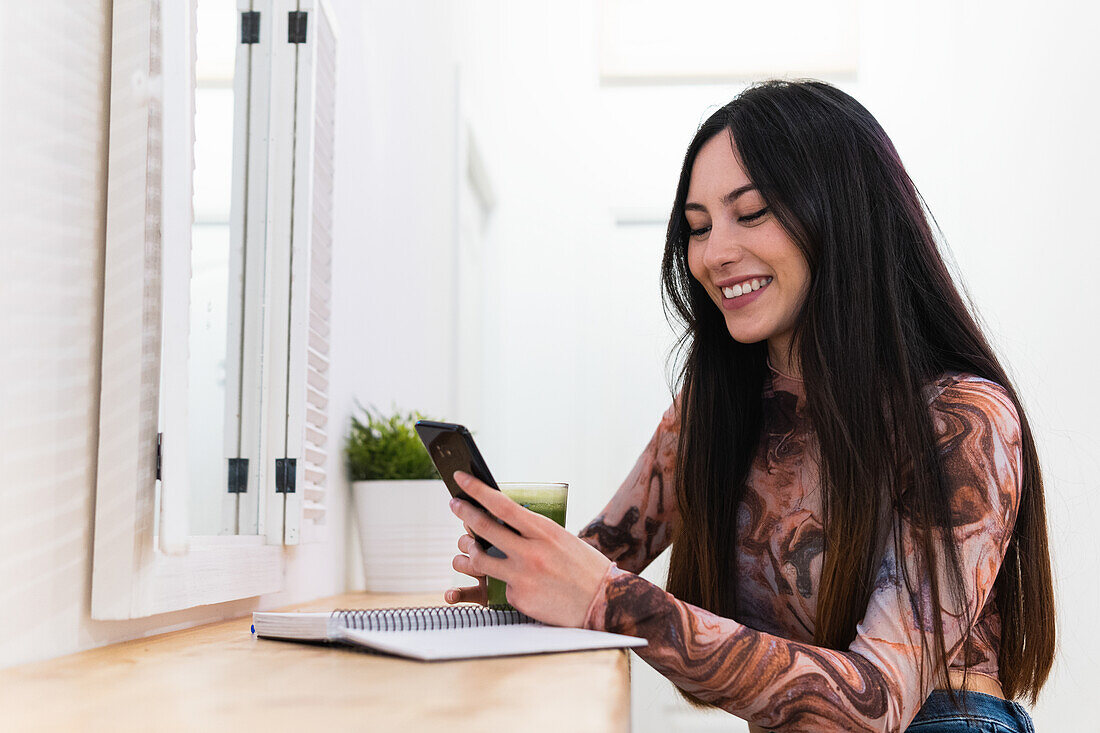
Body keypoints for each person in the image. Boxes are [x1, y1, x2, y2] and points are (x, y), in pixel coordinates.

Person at [444, 79, 1055, 732]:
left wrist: (603, 598)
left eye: (753, 211)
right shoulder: (713, 409)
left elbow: (874, 704)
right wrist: (523, 576)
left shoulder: (963, 421)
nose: (713, 253)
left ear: (842, 210)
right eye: (698, 227)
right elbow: (599, 557)